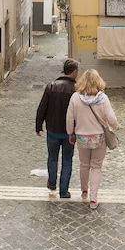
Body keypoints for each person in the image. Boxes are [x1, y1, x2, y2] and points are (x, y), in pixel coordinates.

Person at [66, 69, 119, 210]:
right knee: (96, 166)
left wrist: (70, 132)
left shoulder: (75, 98)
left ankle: (84, 190)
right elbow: (112, 119)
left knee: (84, 164)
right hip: (98, 137)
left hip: (81, 136)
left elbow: (69, 118)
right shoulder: (103, 98)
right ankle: (93, 199)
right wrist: (115, 126)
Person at [35, 58, 80, 198]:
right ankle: (64, 191)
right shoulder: (77, 89)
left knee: (52, 157)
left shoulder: (52, 86)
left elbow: (42, 108)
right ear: (73, 72)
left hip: (53, 130)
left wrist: (38, 125)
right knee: (67, 160)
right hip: (69, 132)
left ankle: (52, 183)